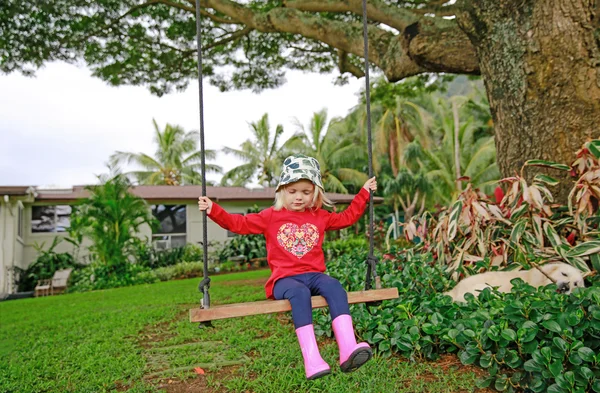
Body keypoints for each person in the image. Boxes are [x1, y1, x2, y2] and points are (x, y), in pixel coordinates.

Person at [198, 154, 377, 380]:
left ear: (315, 192)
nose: (299, 197)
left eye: (306, 191)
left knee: (333, 286)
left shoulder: (320, 216)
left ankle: (348, 349)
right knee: (299, 293)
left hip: (314, 275)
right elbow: (238, 224)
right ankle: (312, 360)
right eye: (292, 191)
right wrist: (213, 209)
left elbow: (347, 218)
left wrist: (363, 193)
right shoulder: (270, 217)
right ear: (282, 191)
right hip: (284, 281)